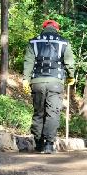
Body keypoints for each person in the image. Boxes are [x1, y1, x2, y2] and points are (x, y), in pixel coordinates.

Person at [23, 19, 76, 154]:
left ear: (44, 28)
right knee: (53, 113)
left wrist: (25, 79)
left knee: (39, 112)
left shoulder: (33, 42)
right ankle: (48, 144)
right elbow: (69, 62)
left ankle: (39, 143)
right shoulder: (64, 42)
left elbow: (28, 62)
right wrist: (71, 76)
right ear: (56, 29)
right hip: (56, 82)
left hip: (37, 82)